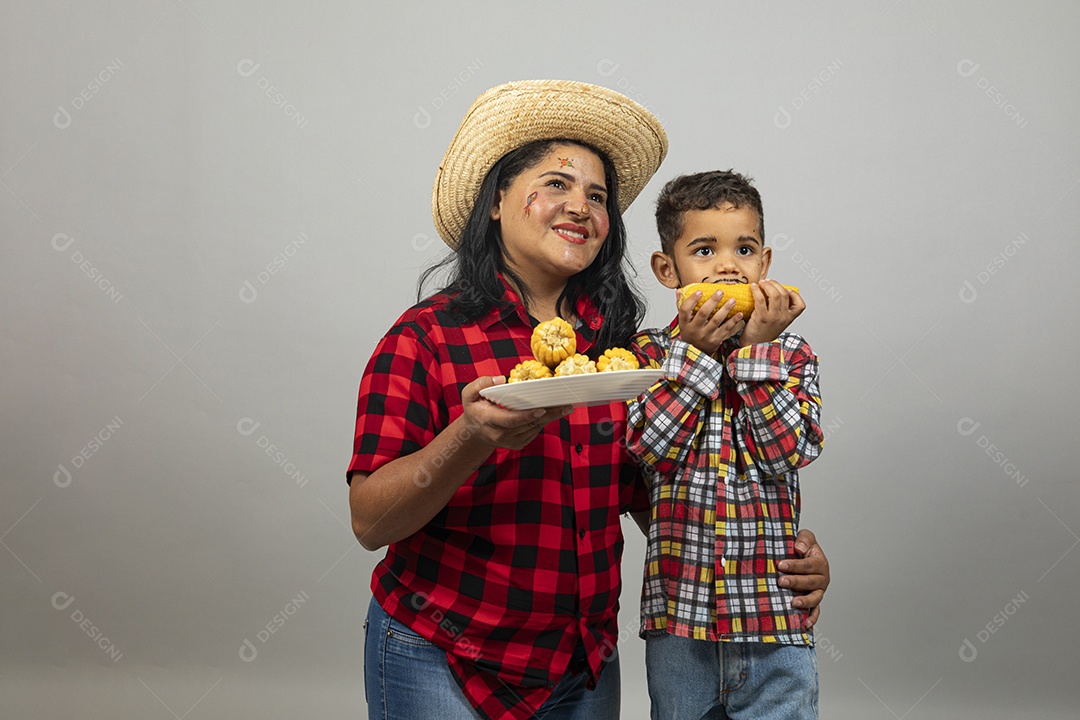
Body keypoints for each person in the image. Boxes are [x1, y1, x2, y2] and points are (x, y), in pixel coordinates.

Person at [346, 81, 830, 720]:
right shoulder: (425, 338)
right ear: (496, 203)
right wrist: (473, 435)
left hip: (580, 664)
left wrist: (778, 558)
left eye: (597, 197)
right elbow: (370, 523)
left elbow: (660, 493)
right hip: (443, 650)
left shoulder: (625, 353)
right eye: (556, 184)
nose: (580, 207)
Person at [625, 169, 824, 719]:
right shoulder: (648, 354)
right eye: (705, 249)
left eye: (744, 249)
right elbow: (650, 447)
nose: (728, 265)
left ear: (765, 264)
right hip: (679, 623)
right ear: (668, 270)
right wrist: (692, 355)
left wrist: (755, 354)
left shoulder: (792, 356)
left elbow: (786, 452)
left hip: (774, 619)